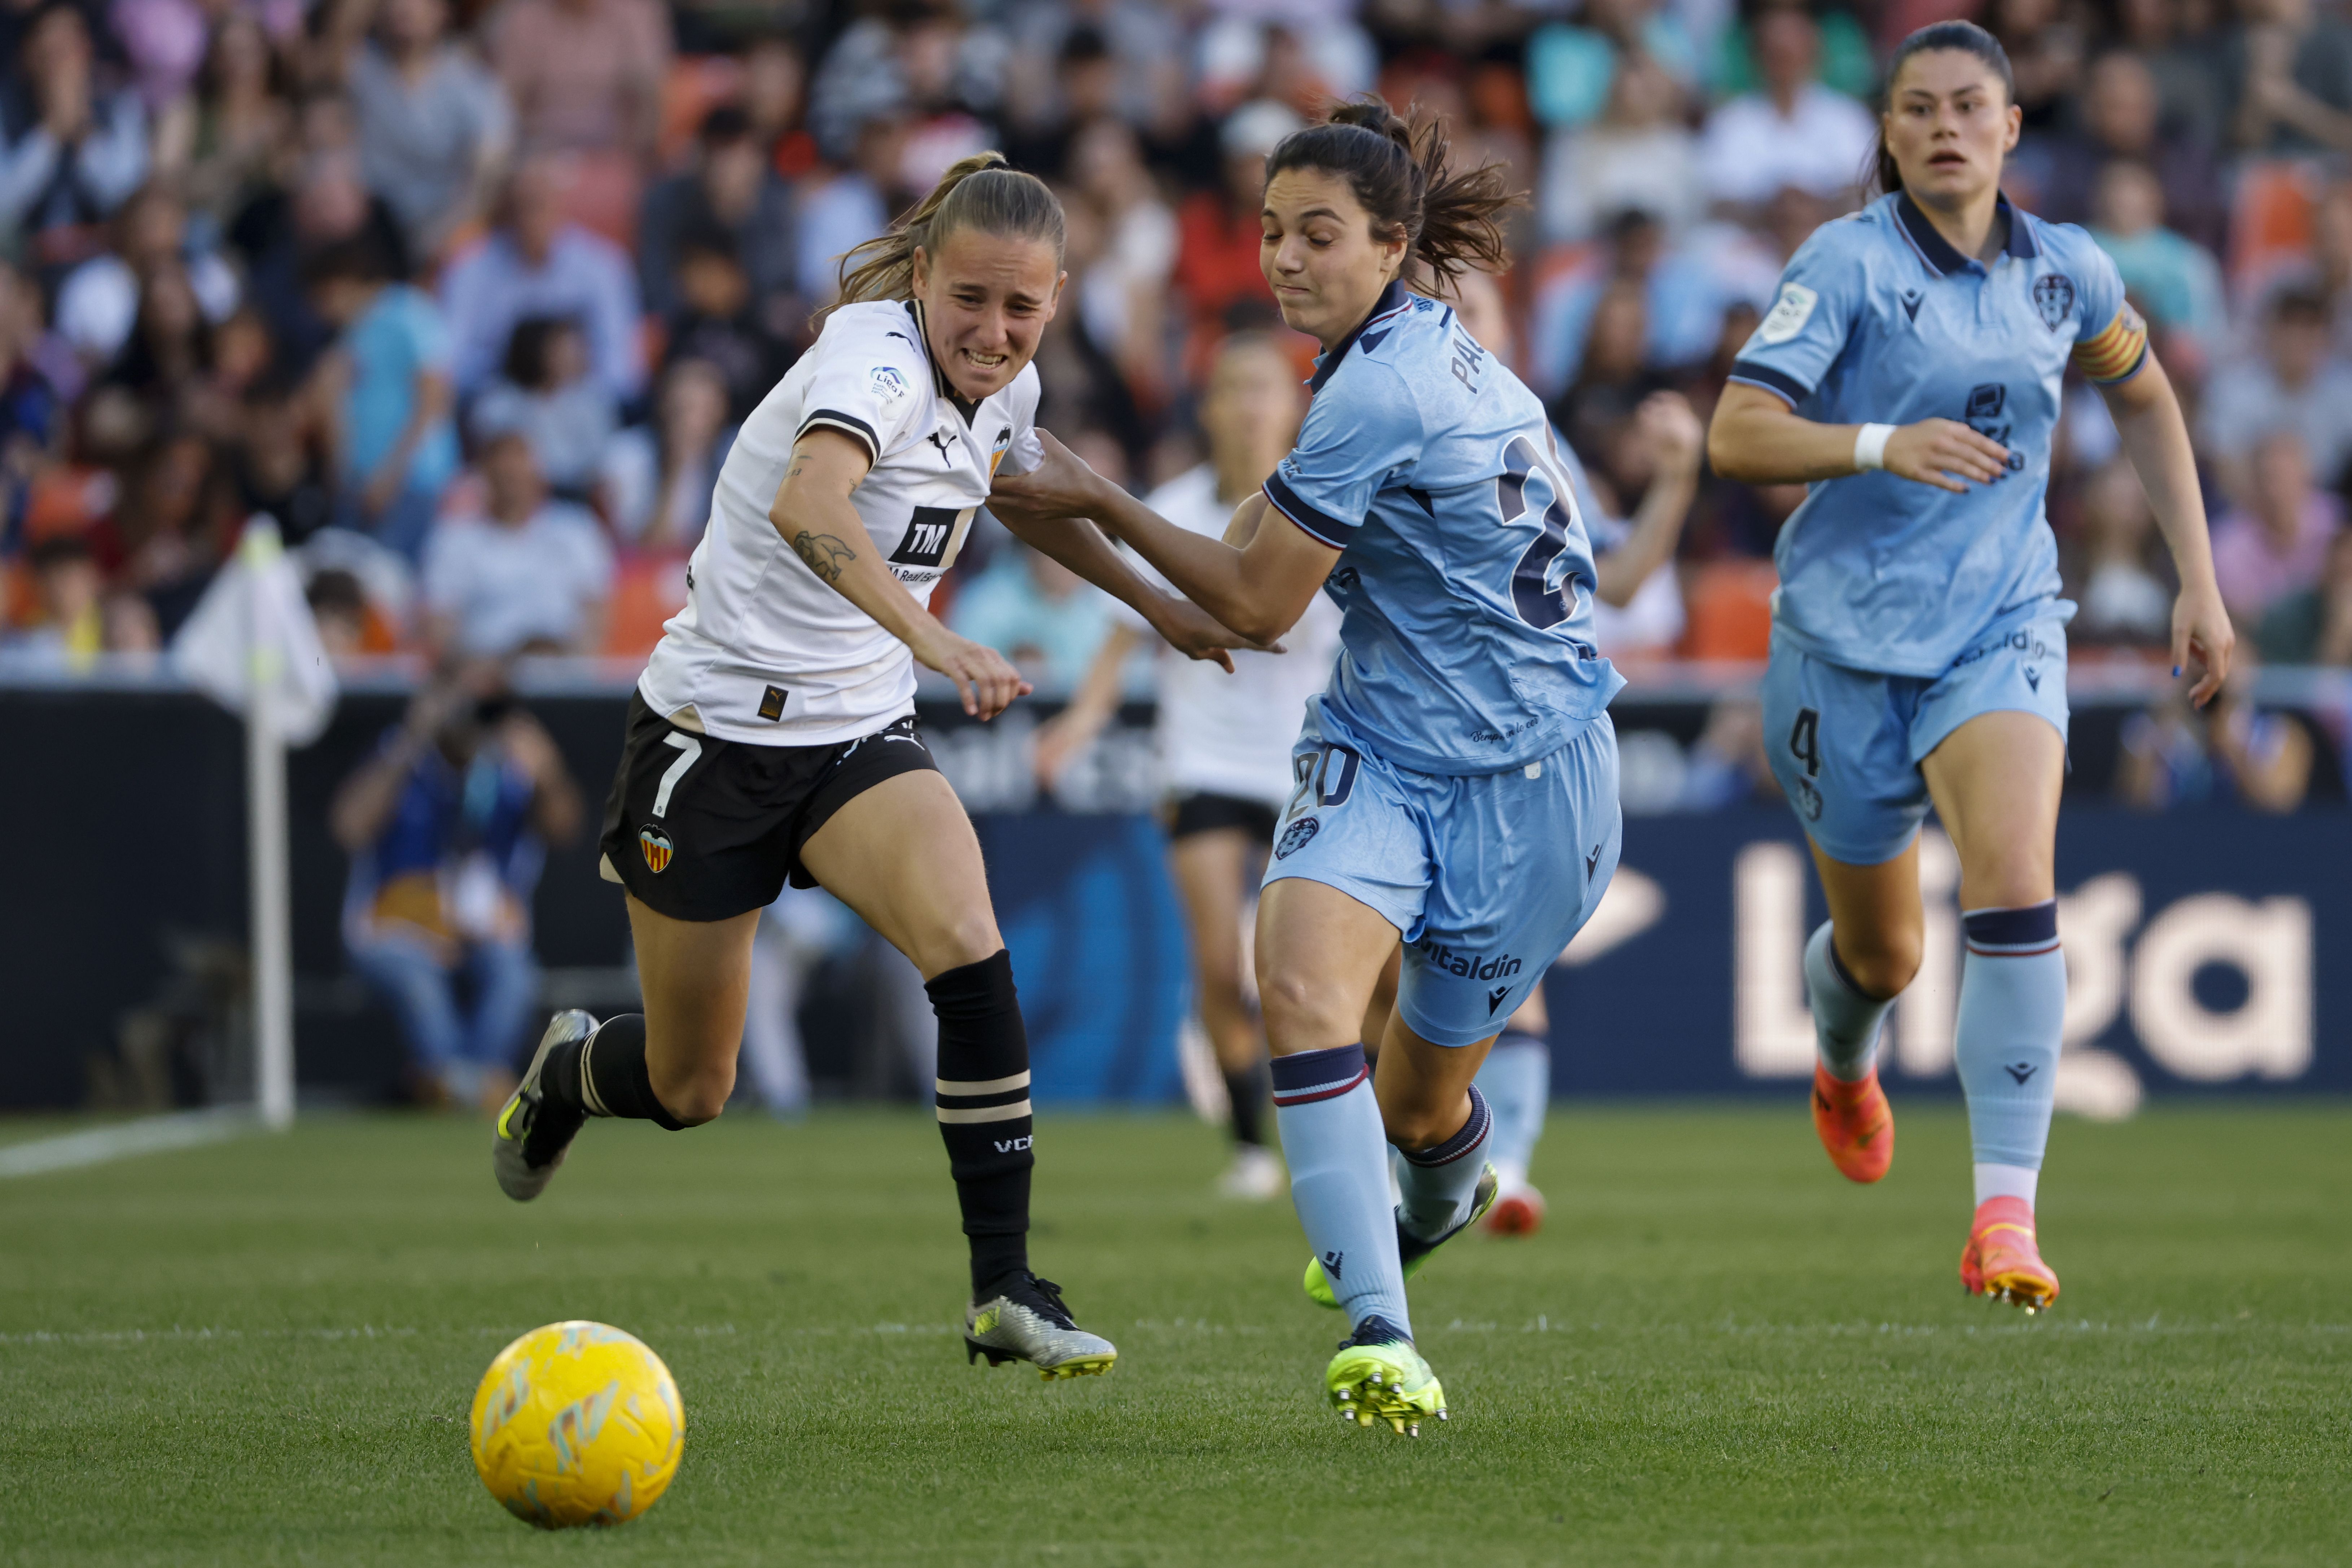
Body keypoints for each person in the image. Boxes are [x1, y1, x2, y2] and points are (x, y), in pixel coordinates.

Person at [489, 153, 1259, 1380]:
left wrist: (1155, 606)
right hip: (713, 737)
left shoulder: (1002, 384)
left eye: (1020, 309)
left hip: (851, 730)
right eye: (971, 299)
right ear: (919, 274)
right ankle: (570, 1071)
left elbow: (1015, 489)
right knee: (692, 1082)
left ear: (1053, 302)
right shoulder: (874, 359)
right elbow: (811, 501)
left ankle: (1005, 1287)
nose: (993, 331)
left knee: (971, 946)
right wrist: (934, 635)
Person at [993, 101, 1623, 1434]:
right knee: (1291, 983)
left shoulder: (1381, 387)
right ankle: (1382, 1337)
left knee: (1419, 1105)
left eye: (1318, 235)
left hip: (1539, 780)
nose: (1283, 258)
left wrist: (1097, 501)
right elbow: (1238, 580)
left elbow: (1258, 605)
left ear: (1393, 244)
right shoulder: (1397, 361)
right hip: (1382, 748)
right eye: (1272, 232)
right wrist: (1117, 547)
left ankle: (1440, 1182)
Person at [1706, 22, 2234, 1313]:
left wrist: (2197, 580)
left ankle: (2004, 1213)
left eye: (1968, 107)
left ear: (2008, 130)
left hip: (1999, 623)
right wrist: (1882, 443)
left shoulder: (2065, 273)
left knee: (2012, 882)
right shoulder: (1841, 264)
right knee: (1881, 957)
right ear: (1887, 138)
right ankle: (1845, 1057)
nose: (1943, 125)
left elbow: (2148, 398)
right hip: (1838, 645)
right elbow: (1736, 431)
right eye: (1916, 108)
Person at [1034, 333, 1344, 1203]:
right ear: (1207, 409)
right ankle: (1252, 1147)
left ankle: (1375, 1128)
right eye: (1233, 386)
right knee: (1217, 966)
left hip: (1309, 761)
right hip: (1204, 757)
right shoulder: (1165, 509)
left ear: (1293, 407)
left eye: (1265, 388)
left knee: (1340, 972)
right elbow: (1120, 635)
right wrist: (1079, 723)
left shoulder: (1326, 504)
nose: (1250, 404)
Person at [334, 672, 585, 1109]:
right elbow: (350, 826)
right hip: (396, 928)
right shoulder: (403, 756)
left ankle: (454, 1085)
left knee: (513, 973)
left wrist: (548, 771)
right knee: (419, 980)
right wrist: (414, 737)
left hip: (481, 930)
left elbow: (567, 829)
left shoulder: (507, 768)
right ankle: (467, 1085)